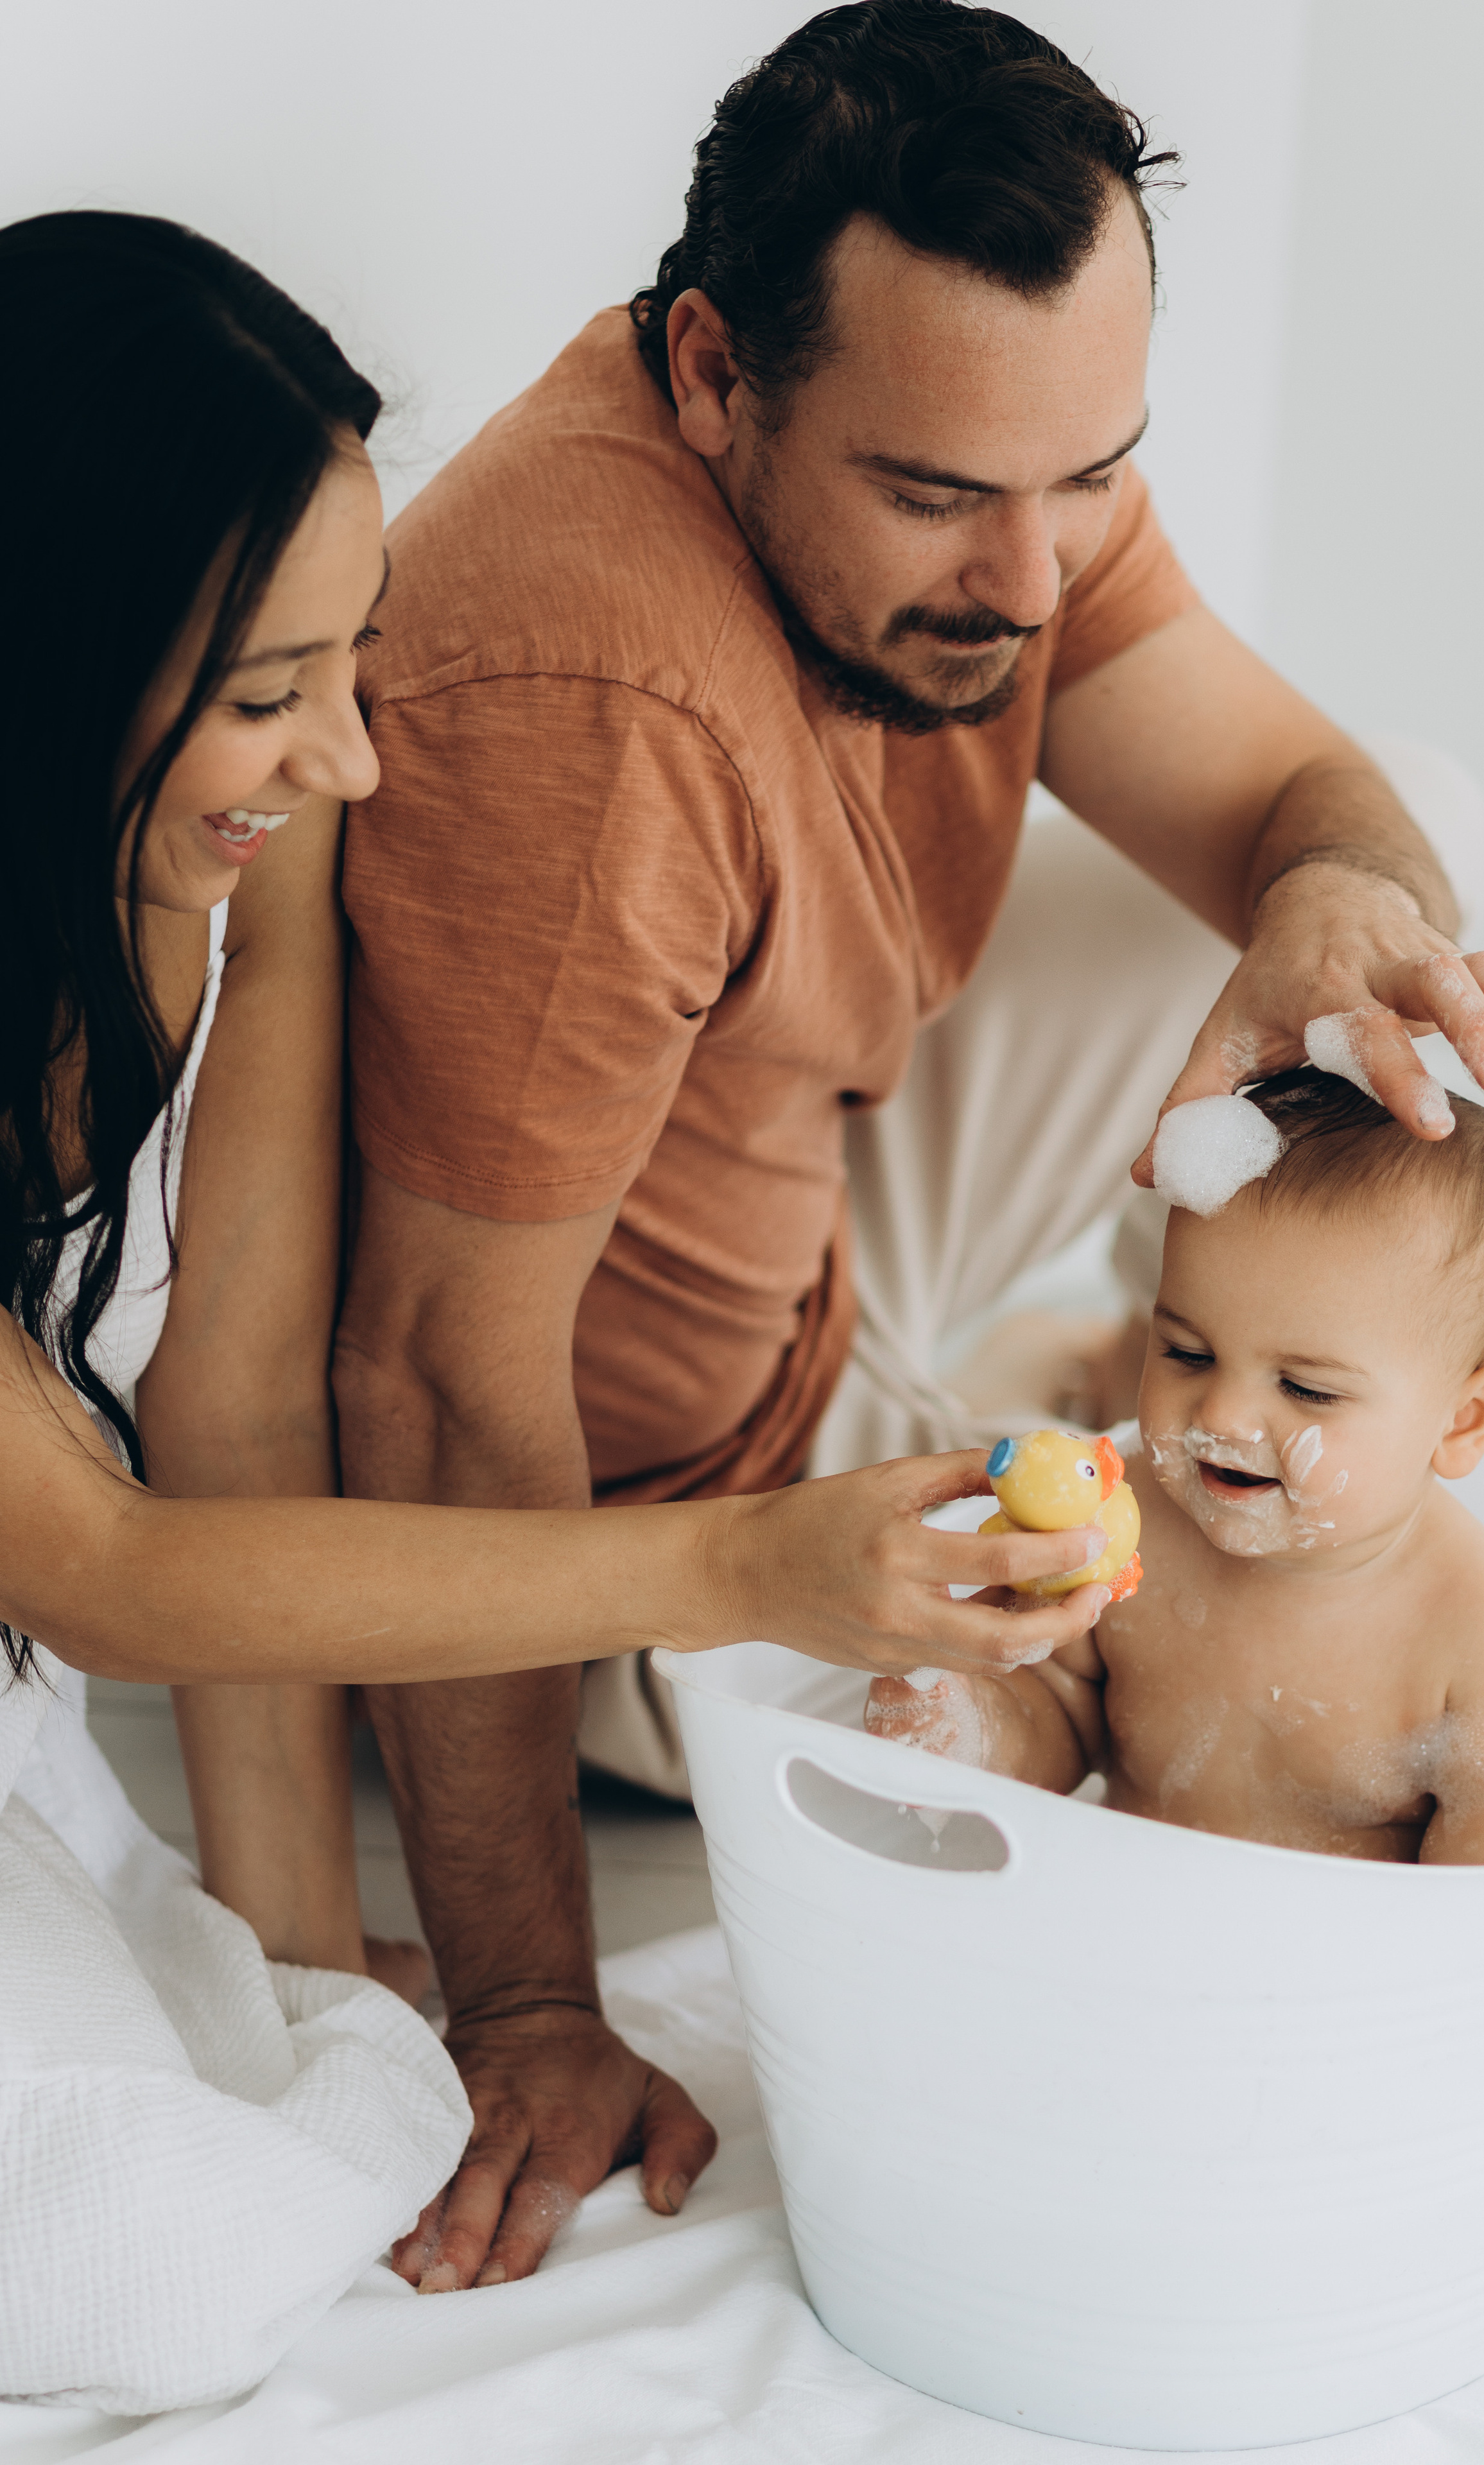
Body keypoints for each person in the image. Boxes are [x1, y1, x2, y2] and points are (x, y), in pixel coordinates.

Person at [334, 0, 1484, 2290]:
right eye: (937, 500)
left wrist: (1325, 907)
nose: (1030, 582)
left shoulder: (979, 473)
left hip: (790, 1156)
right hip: (643, 1502)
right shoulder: (589, 706)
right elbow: (435, 1391)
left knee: (1409, 827)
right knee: (969, 1684)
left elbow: (1282, 790)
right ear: (717, 377)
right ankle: (985, 1382)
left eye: (1089, 477)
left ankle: (1020, 1342)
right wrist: (528, 2000)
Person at [0, 201, 1103, 2385]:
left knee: (246, 2126)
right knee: (143, 2269)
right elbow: (110, 1568)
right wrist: (744, 1572)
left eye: (353, 654)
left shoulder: (260, 837)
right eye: (267, 695)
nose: (356, 759)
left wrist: (292, 1978)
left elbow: (232, 1411)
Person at [867, 1069, 1484, 1864]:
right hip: (1125, 1936)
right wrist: (967, 1727)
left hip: (1344, 1984)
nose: (1221, 1418)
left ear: (1464, 1420)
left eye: (1305, 1388)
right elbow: (1065, 1716)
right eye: (1185, 1352)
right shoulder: (1123, 1524)